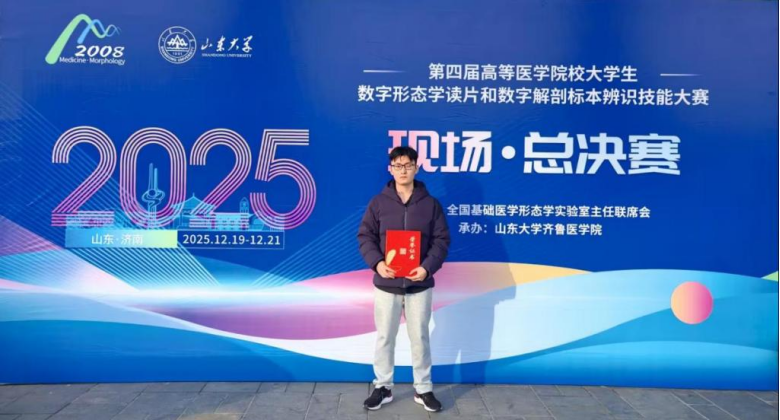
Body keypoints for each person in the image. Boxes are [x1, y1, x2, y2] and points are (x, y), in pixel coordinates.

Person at [357, 146, 451, 412]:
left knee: (420, 338)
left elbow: (441, 240)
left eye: (408, 165)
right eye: (398, 166)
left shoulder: (431, 204)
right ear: (390, 169)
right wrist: (378, 263)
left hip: (419, 284)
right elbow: (365, 236)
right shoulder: (378, 203)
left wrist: (426, 268)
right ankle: (383, 387)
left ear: (416, 168)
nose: (403, 170)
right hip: (386, 284)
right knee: (385, 337)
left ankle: (423, 389)